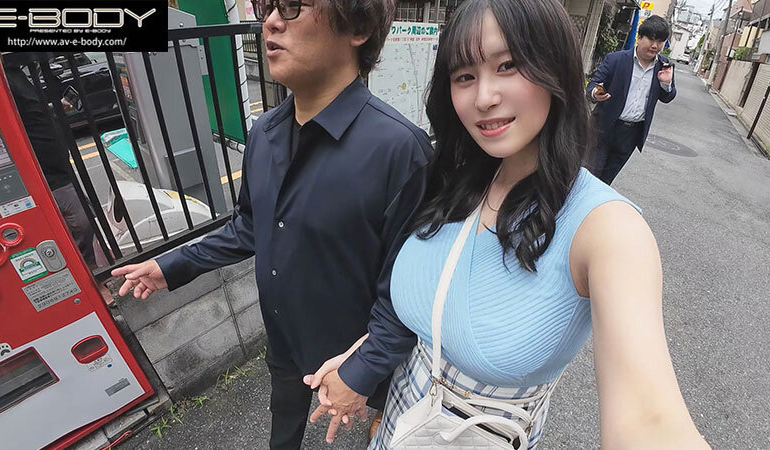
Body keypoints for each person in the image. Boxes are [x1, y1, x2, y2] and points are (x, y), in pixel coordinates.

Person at [304, 0, 709, 448]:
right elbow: (425, 306)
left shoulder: (607, 228)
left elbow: (650, 421)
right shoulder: (452, 179)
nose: (483, 97)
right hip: (399, 430)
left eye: (508, 65)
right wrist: (360, 363)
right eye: (464, 76)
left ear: (555, 69)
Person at [111, 0, 433, 447]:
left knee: (381, 427)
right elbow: (248, 226)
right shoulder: (264, 132)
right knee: (284, 423)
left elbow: (412, 288)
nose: (271, 22)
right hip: (284, 338)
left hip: (356, 352)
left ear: (357, 27)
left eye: (294, 6)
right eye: (268, 6)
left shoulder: (401, 150)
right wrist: (171, 265)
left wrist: (364, 370)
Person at [3, 58, 97, 267]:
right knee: (81, 221)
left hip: (58, 168)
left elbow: (29, 114)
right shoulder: (1, 77)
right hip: (47, 173)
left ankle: (92, 264)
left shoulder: (15, 72)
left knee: (84, 218)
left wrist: (53, 108)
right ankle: (90, 271)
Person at [586, 15, 677, 185]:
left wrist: (666, 84)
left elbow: (668, 97)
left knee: (605, 183)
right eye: (651, 39)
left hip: (631, 135)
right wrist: (595, 93)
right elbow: (592, 85)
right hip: (603, 128)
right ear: (639, 37)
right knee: (589, 177)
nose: (655, 45)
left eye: (660, 41)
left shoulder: (665, 66)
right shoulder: (615, 59)